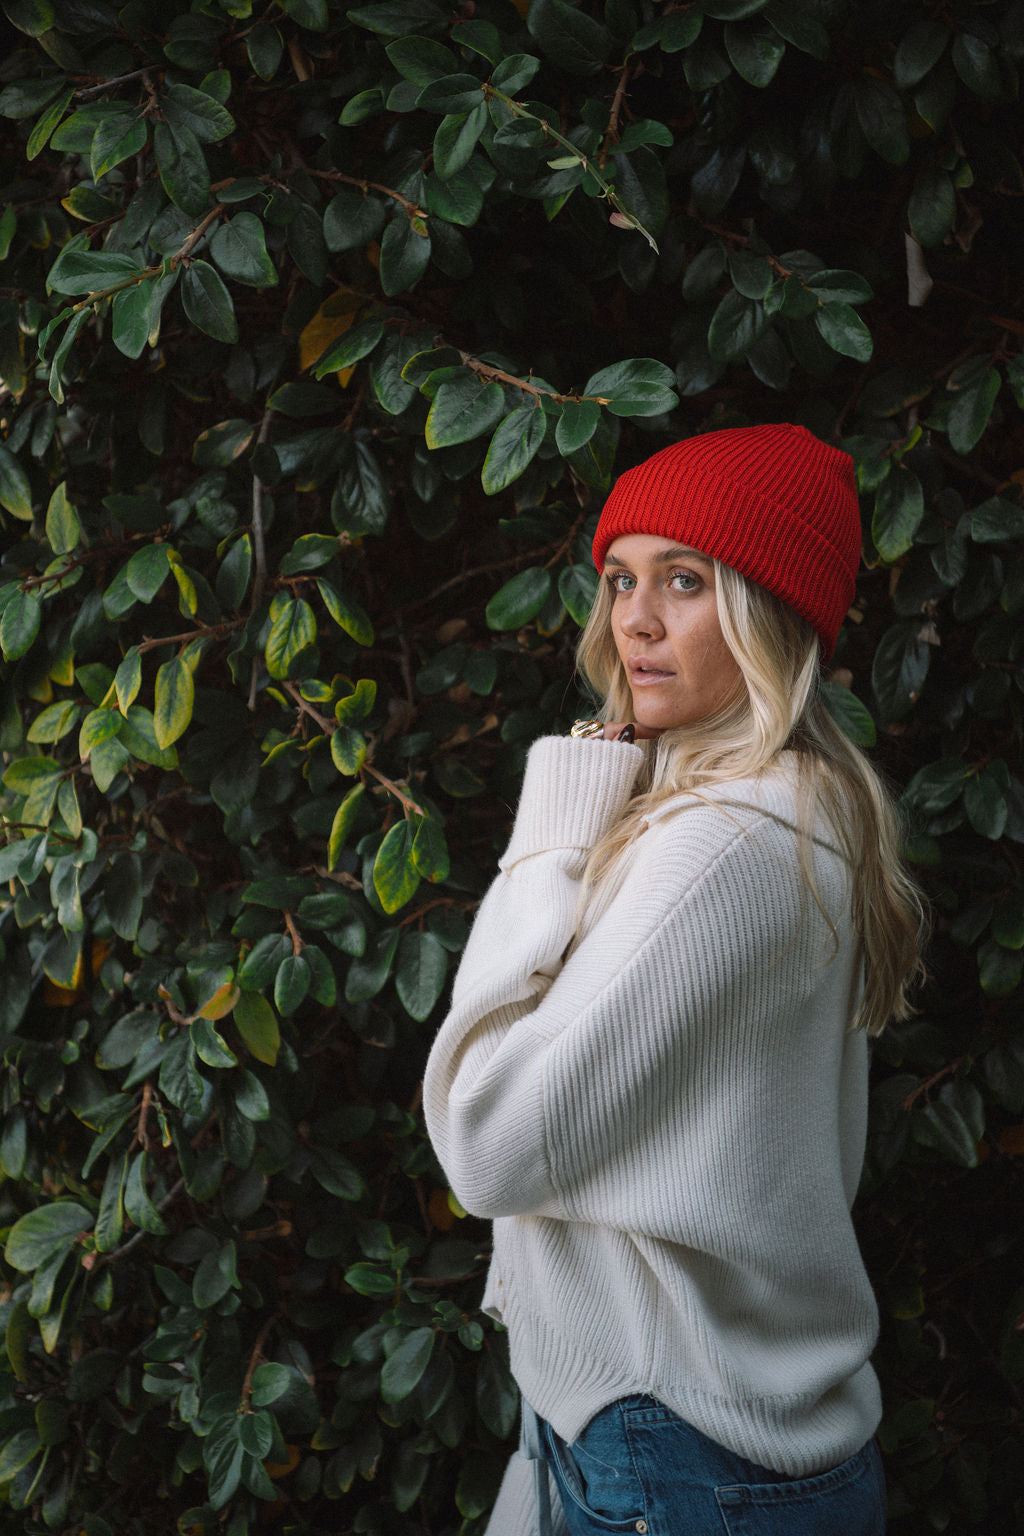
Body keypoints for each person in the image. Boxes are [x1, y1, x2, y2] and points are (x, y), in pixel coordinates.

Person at [423, 423, 925, 1536]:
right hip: (679, 1432)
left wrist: (551, 834)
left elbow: (487, 1141)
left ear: (770, 615)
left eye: (685, 582)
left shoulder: (726, 844)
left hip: (677, 1449)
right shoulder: (781, 809)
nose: (633, 621)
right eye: (619, 579)